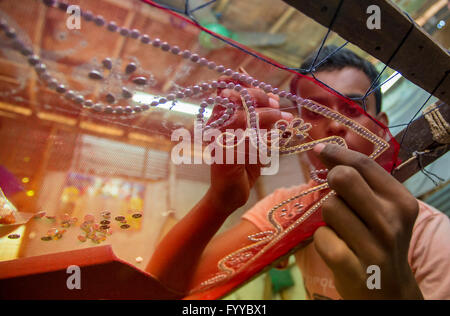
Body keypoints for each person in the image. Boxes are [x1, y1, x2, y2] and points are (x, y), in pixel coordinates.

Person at [146, 46, 450, 299]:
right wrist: (220, 200)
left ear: (382, 127)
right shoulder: (288, 210)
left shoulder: (432, 236)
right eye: (315, 112)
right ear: (301, 133)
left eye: (352, 109)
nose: (334, 125)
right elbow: (167, 290)